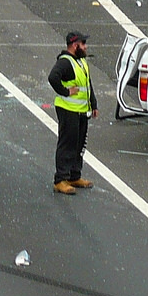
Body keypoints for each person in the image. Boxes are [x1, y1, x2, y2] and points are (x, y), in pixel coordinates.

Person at [48, 31, 98, 194]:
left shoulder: (81, 61)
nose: (86, 46)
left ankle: (74, 175)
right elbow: (53, 78)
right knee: (67, 144)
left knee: (79, 144)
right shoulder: (65, 62)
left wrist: (93, 104)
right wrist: (66, 92)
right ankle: (60, 179)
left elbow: (88, 83)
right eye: (83, 44)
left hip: (81, 110)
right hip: (68, 110)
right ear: (75, 46)